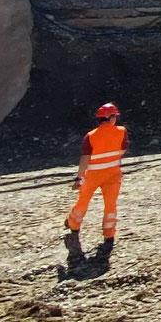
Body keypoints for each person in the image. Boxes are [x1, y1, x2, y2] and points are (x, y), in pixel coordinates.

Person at [66, 102, 127, 245]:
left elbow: (85, 158)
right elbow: (122, 150)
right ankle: (109, 234)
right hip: (113, 174)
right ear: (111, 118)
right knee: (110, 205)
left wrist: (79, 178)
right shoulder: (122, 131)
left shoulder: (90, 136)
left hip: (93, 176)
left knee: (83, 202)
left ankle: (74, 226)